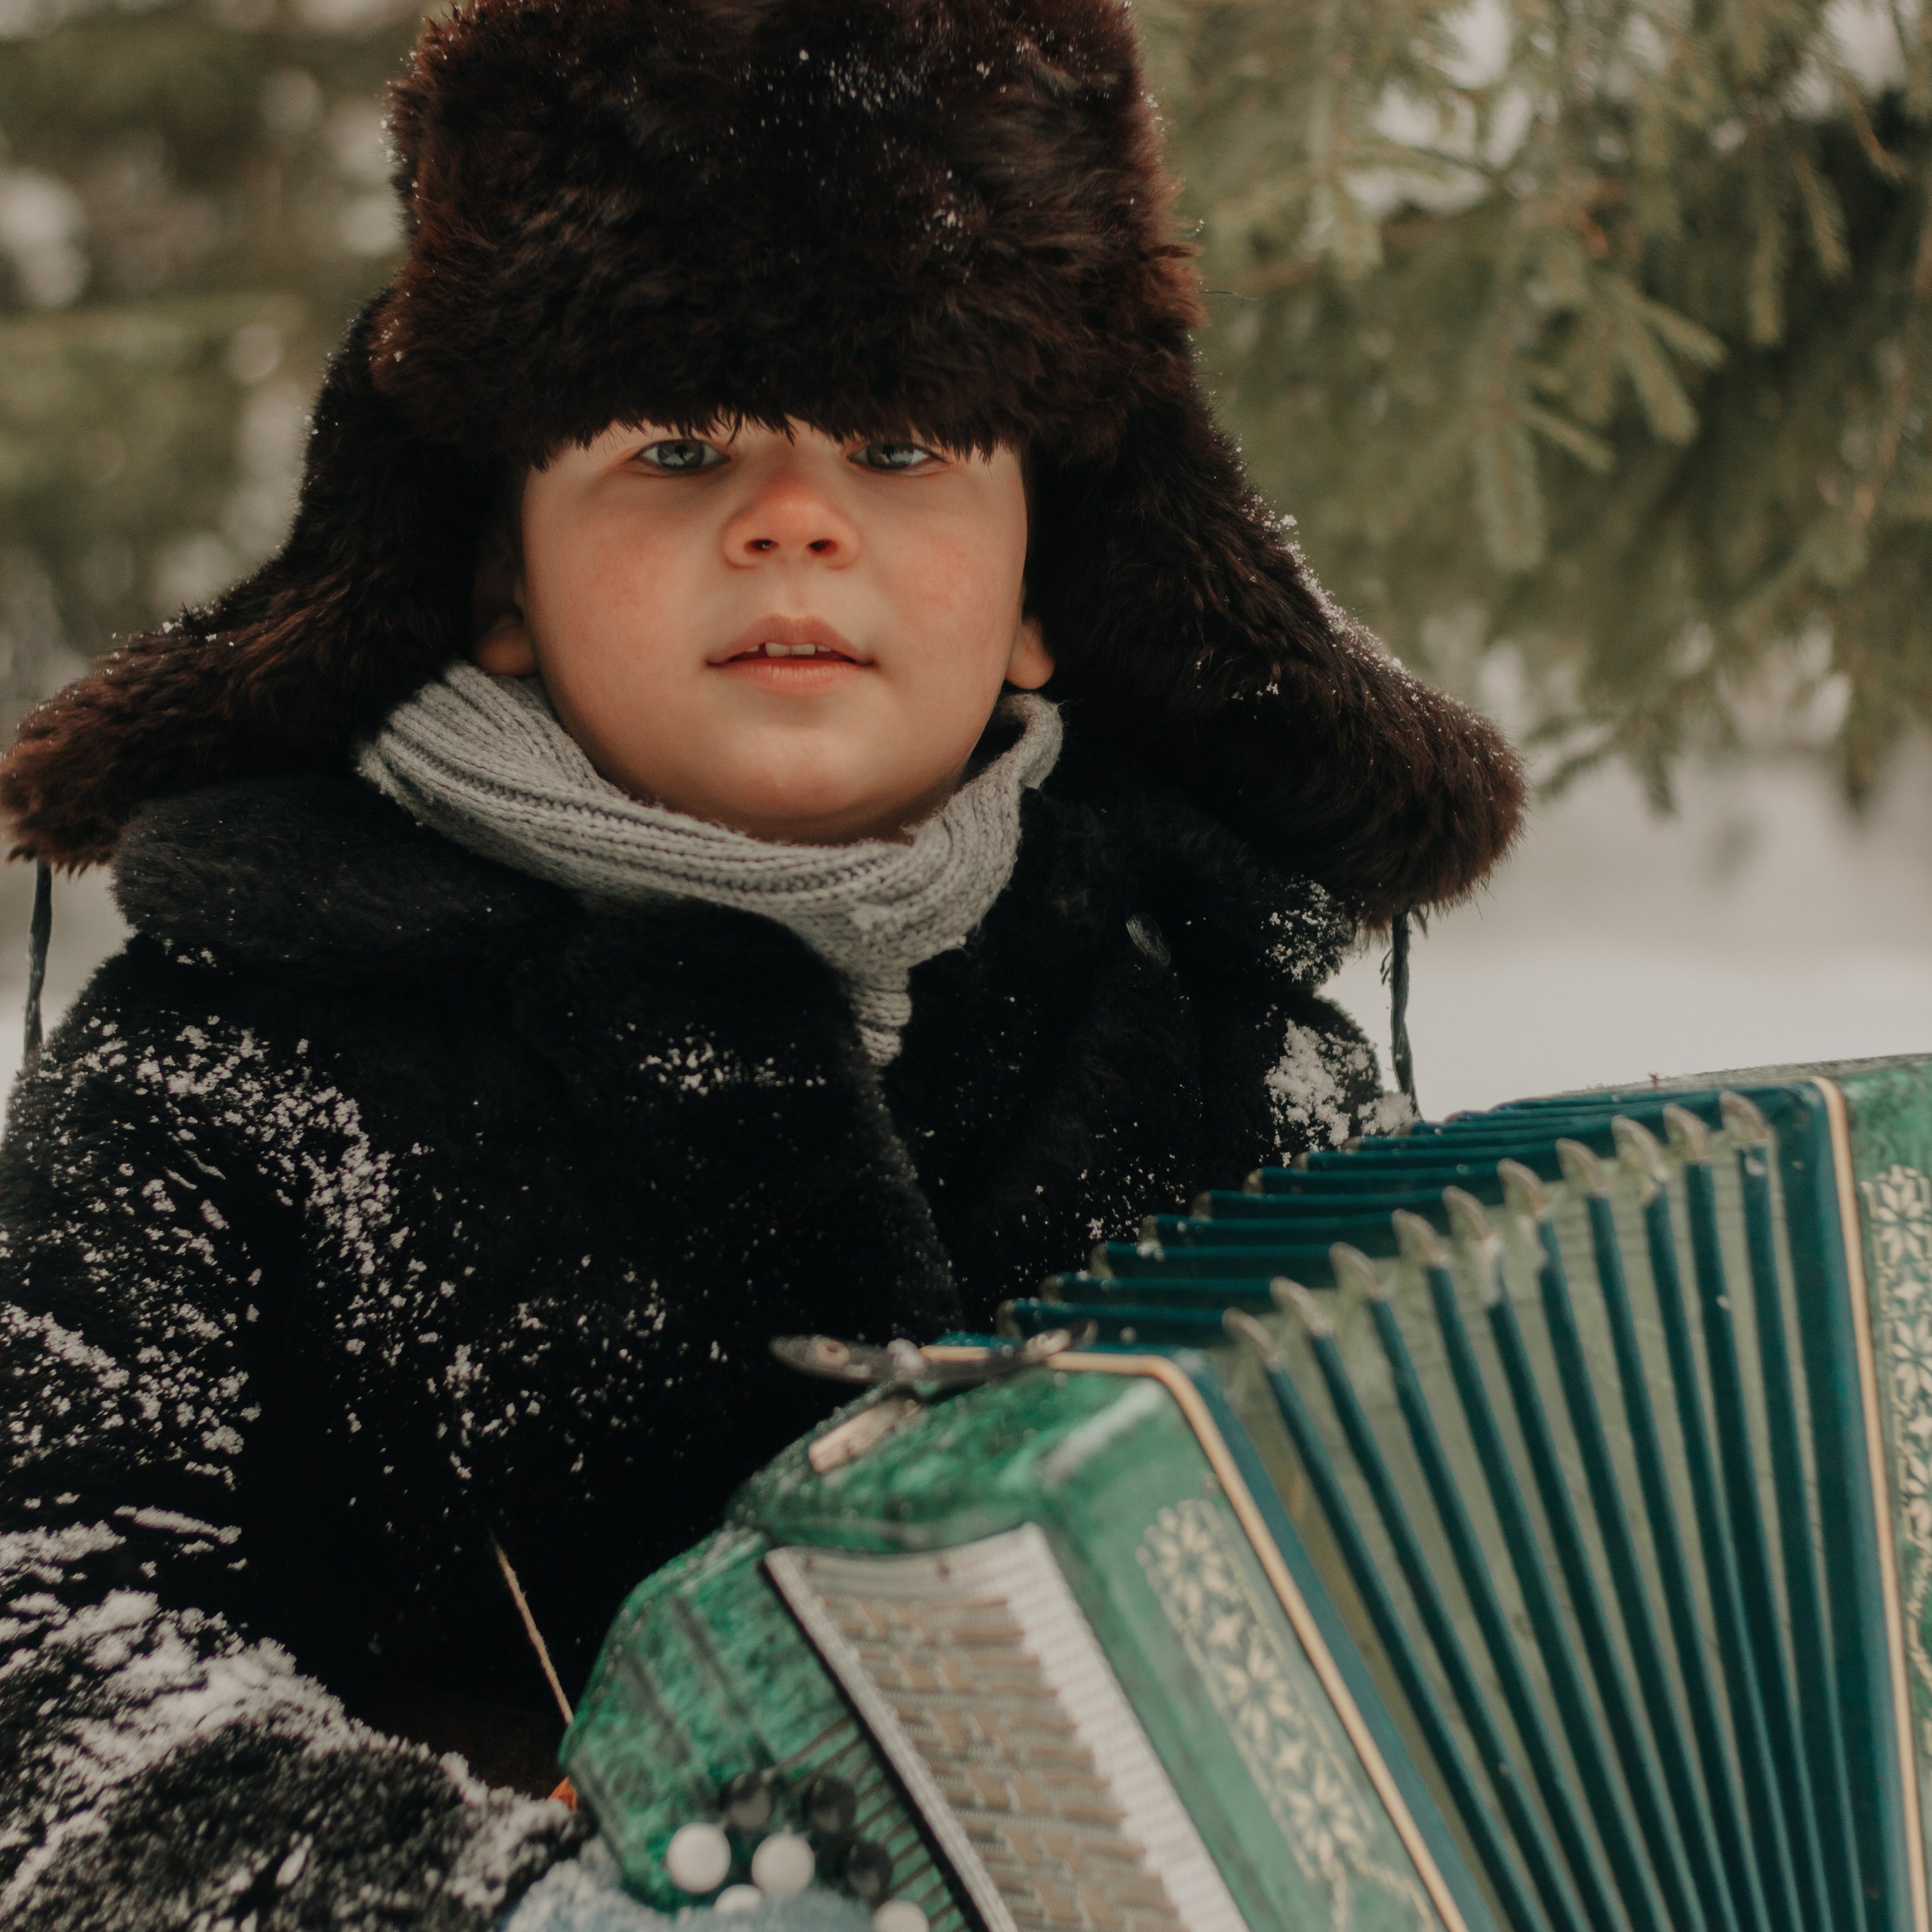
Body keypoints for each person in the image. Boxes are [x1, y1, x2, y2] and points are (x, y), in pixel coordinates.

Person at [0, 0, 1524, 1925]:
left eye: (894, 443)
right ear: (495, 582)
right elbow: (52, 1637)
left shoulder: (1223, 1043)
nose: (792, 515)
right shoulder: (225, 1063)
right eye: (676, 442)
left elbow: (1447, 1607)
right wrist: (497, 1903)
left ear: (1041, 586)